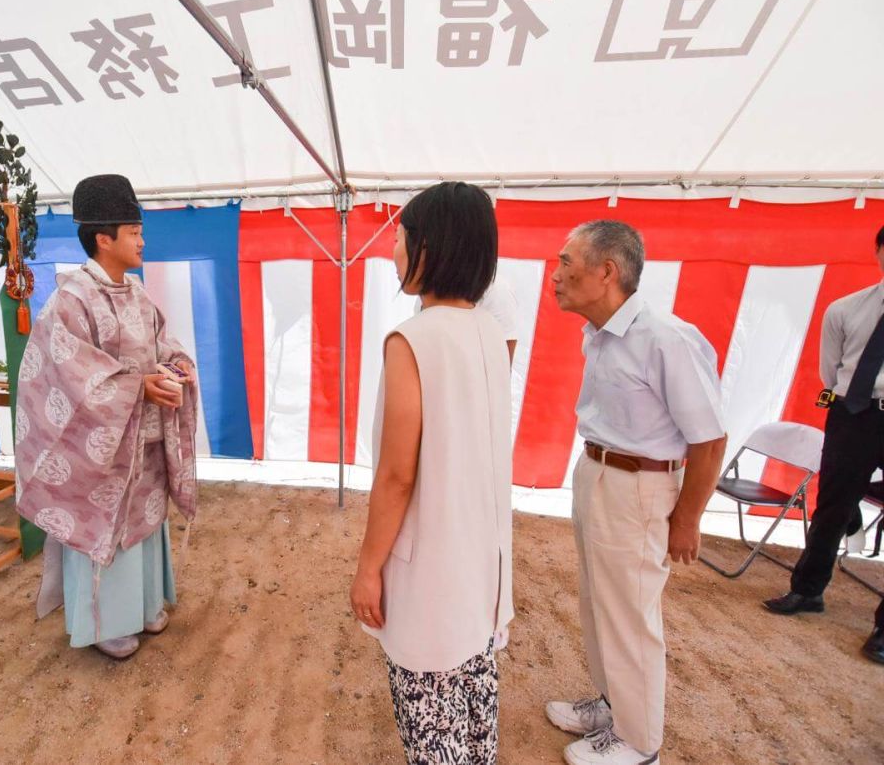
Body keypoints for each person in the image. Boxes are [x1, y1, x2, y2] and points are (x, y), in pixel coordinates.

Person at [545, 220, 726, 765]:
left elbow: (710, 439)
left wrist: (688, 518)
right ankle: (611, 705)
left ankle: (640, 740)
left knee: (631, 612)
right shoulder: (599, 332)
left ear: (607, 271)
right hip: (598, 472)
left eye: (565, 263)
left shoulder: (665, 337)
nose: (555, 276)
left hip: (641, 486)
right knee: (599, 602)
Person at [351, 182, 513, 764]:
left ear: (432, 247)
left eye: (401, 237)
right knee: (473, 703)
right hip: (480, 557)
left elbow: (397, 475)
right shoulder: (491, 333)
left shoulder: (412, 339)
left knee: (430, 718)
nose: (394, 251)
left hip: (432, 565)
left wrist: (368, 568)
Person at [14, 173, 199, 660]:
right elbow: (68, 375)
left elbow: (160, 342)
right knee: (107, 526)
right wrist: (138, 386)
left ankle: (143, 606)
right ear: (104, 238)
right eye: (134, 231)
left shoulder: (136, 293)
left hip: (143, 437)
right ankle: (103, 624)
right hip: (99, 447)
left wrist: (173, 366)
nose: (142, 240)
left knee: (145, 520)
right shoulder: (70, 299)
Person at [764, 226, 884, 665]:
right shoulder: (847, 309)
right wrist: (855, 403)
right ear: (877, 252)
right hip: (856, 413)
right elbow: (830, 371)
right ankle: (807, 590)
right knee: (833, 505)